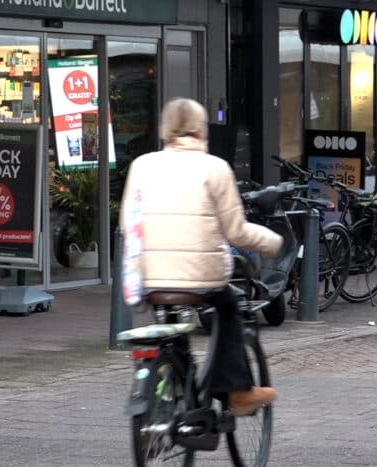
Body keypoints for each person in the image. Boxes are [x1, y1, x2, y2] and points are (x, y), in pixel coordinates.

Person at [120, 98, 283, 416]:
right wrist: (273, 242)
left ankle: (172, 393)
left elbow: (128, 224)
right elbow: (236, 232)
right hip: (201, 277)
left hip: (149, 278)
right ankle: (237, 393)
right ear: (200, 130)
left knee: (170, 325)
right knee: (228, 309)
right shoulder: (215, 168)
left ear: (165, 130)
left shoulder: (142, 165)